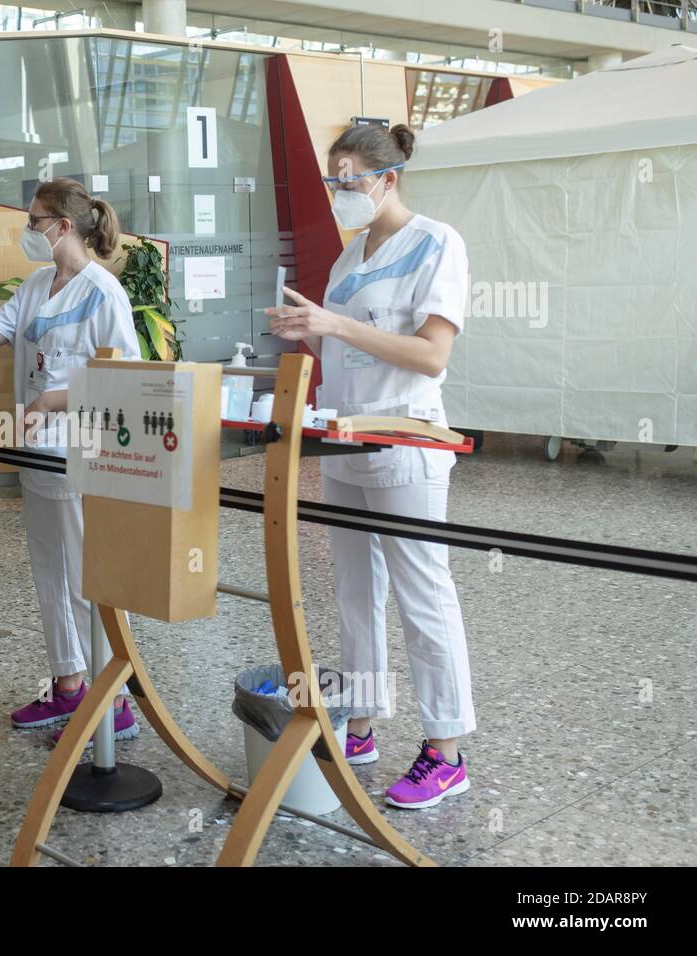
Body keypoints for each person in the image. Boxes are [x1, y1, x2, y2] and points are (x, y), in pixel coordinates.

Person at [267, 123, 475, 810]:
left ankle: (446, 750)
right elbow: (344, 350)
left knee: (423, 593)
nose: (340, 192)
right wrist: (309, 330)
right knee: (354, 593)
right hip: (344, 443)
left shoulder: (437, 242)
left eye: (350, 178)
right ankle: (360, 723)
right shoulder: (348, 259)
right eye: (334, 181)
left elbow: (430, 355)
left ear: (388, 177)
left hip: (407, 443)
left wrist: (333, 326)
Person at [0, 178, 142, 743]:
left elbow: (129, 380)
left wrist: (52, 399)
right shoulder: (39, 283)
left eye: (35, 221)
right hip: (37, 457)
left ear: (64, 227)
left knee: (83, 579)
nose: (28, 231)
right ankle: (69, 687)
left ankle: (113, 699)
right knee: (49, 575)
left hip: (79, 455)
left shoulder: (103, 293)